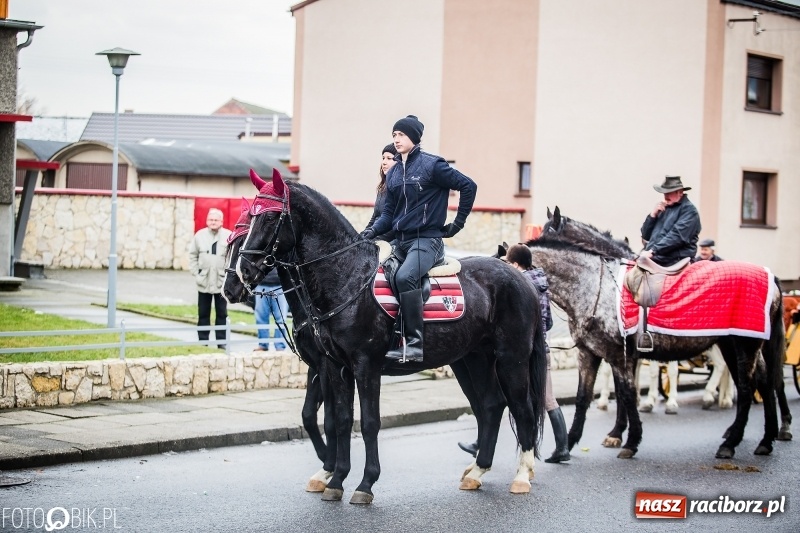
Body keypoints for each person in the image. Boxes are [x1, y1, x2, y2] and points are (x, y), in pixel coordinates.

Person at [361, 115, 477, 363]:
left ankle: (414, 344)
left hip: (427, 241)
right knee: (375, 274)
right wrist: (368, 234)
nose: (396, 139)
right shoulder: (394, 173)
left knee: (405, 277)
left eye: (401, 134)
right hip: (401, 242)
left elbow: (469, 186)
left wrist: (457, 224)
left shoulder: (433, 165)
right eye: (394, 135)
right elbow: (388, 215)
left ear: (414, 137)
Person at [458, 244, 569, 463]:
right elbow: (548, 322)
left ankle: (559, 446)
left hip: (526, 350)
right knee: (541, 399)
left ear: (516, 264)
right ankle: (483, 444)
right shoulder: (540, 285)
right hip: (538, 348)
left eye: (509, 263)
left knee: (541, 399)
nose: (508, 266)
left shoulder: (520, 288)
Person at [188, 208, 232, 348]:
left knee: (222, 314)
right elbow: (192, 255)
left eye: (216, 220)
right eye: (211, 220)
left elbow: (233, 257)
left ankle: (221, 343)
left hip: (221, 283)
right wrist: (196, 273)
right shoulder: (199, 236)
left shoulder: (228, 236)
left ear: (221, 221)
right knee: (203, 314)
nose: (213, 222)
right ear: (207, 221)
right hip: (204, 282)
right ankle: (203, 342)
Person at [640, 176, 701, 266]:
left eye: (669, 193)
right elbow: (646, 235)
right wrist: (652, 216)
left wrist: (653, 251)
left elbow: (677, 237)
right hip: (657, 257)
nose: (666, 196)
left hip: (675, 260)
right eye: (664, 193)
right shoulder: (664, 208)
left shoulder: (689, 211)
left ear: (680, 192)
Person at [363, 143, 398, 242]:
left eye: (389, 158)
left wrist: (373, 240)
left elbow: (393, 223)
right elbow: (374, 218)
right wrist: (361, 236)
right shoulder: (382, 188)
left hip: (387, 242)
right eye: (383, 158)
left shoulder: (400, 188)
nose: (384, 162)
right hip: (374, 236)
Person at [254, 268, 289, 351]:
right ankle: (263, 345)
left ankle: (280, 346)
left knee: (281, 318)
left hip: (280, 284)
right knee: (261, 317)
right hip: (261, 284)